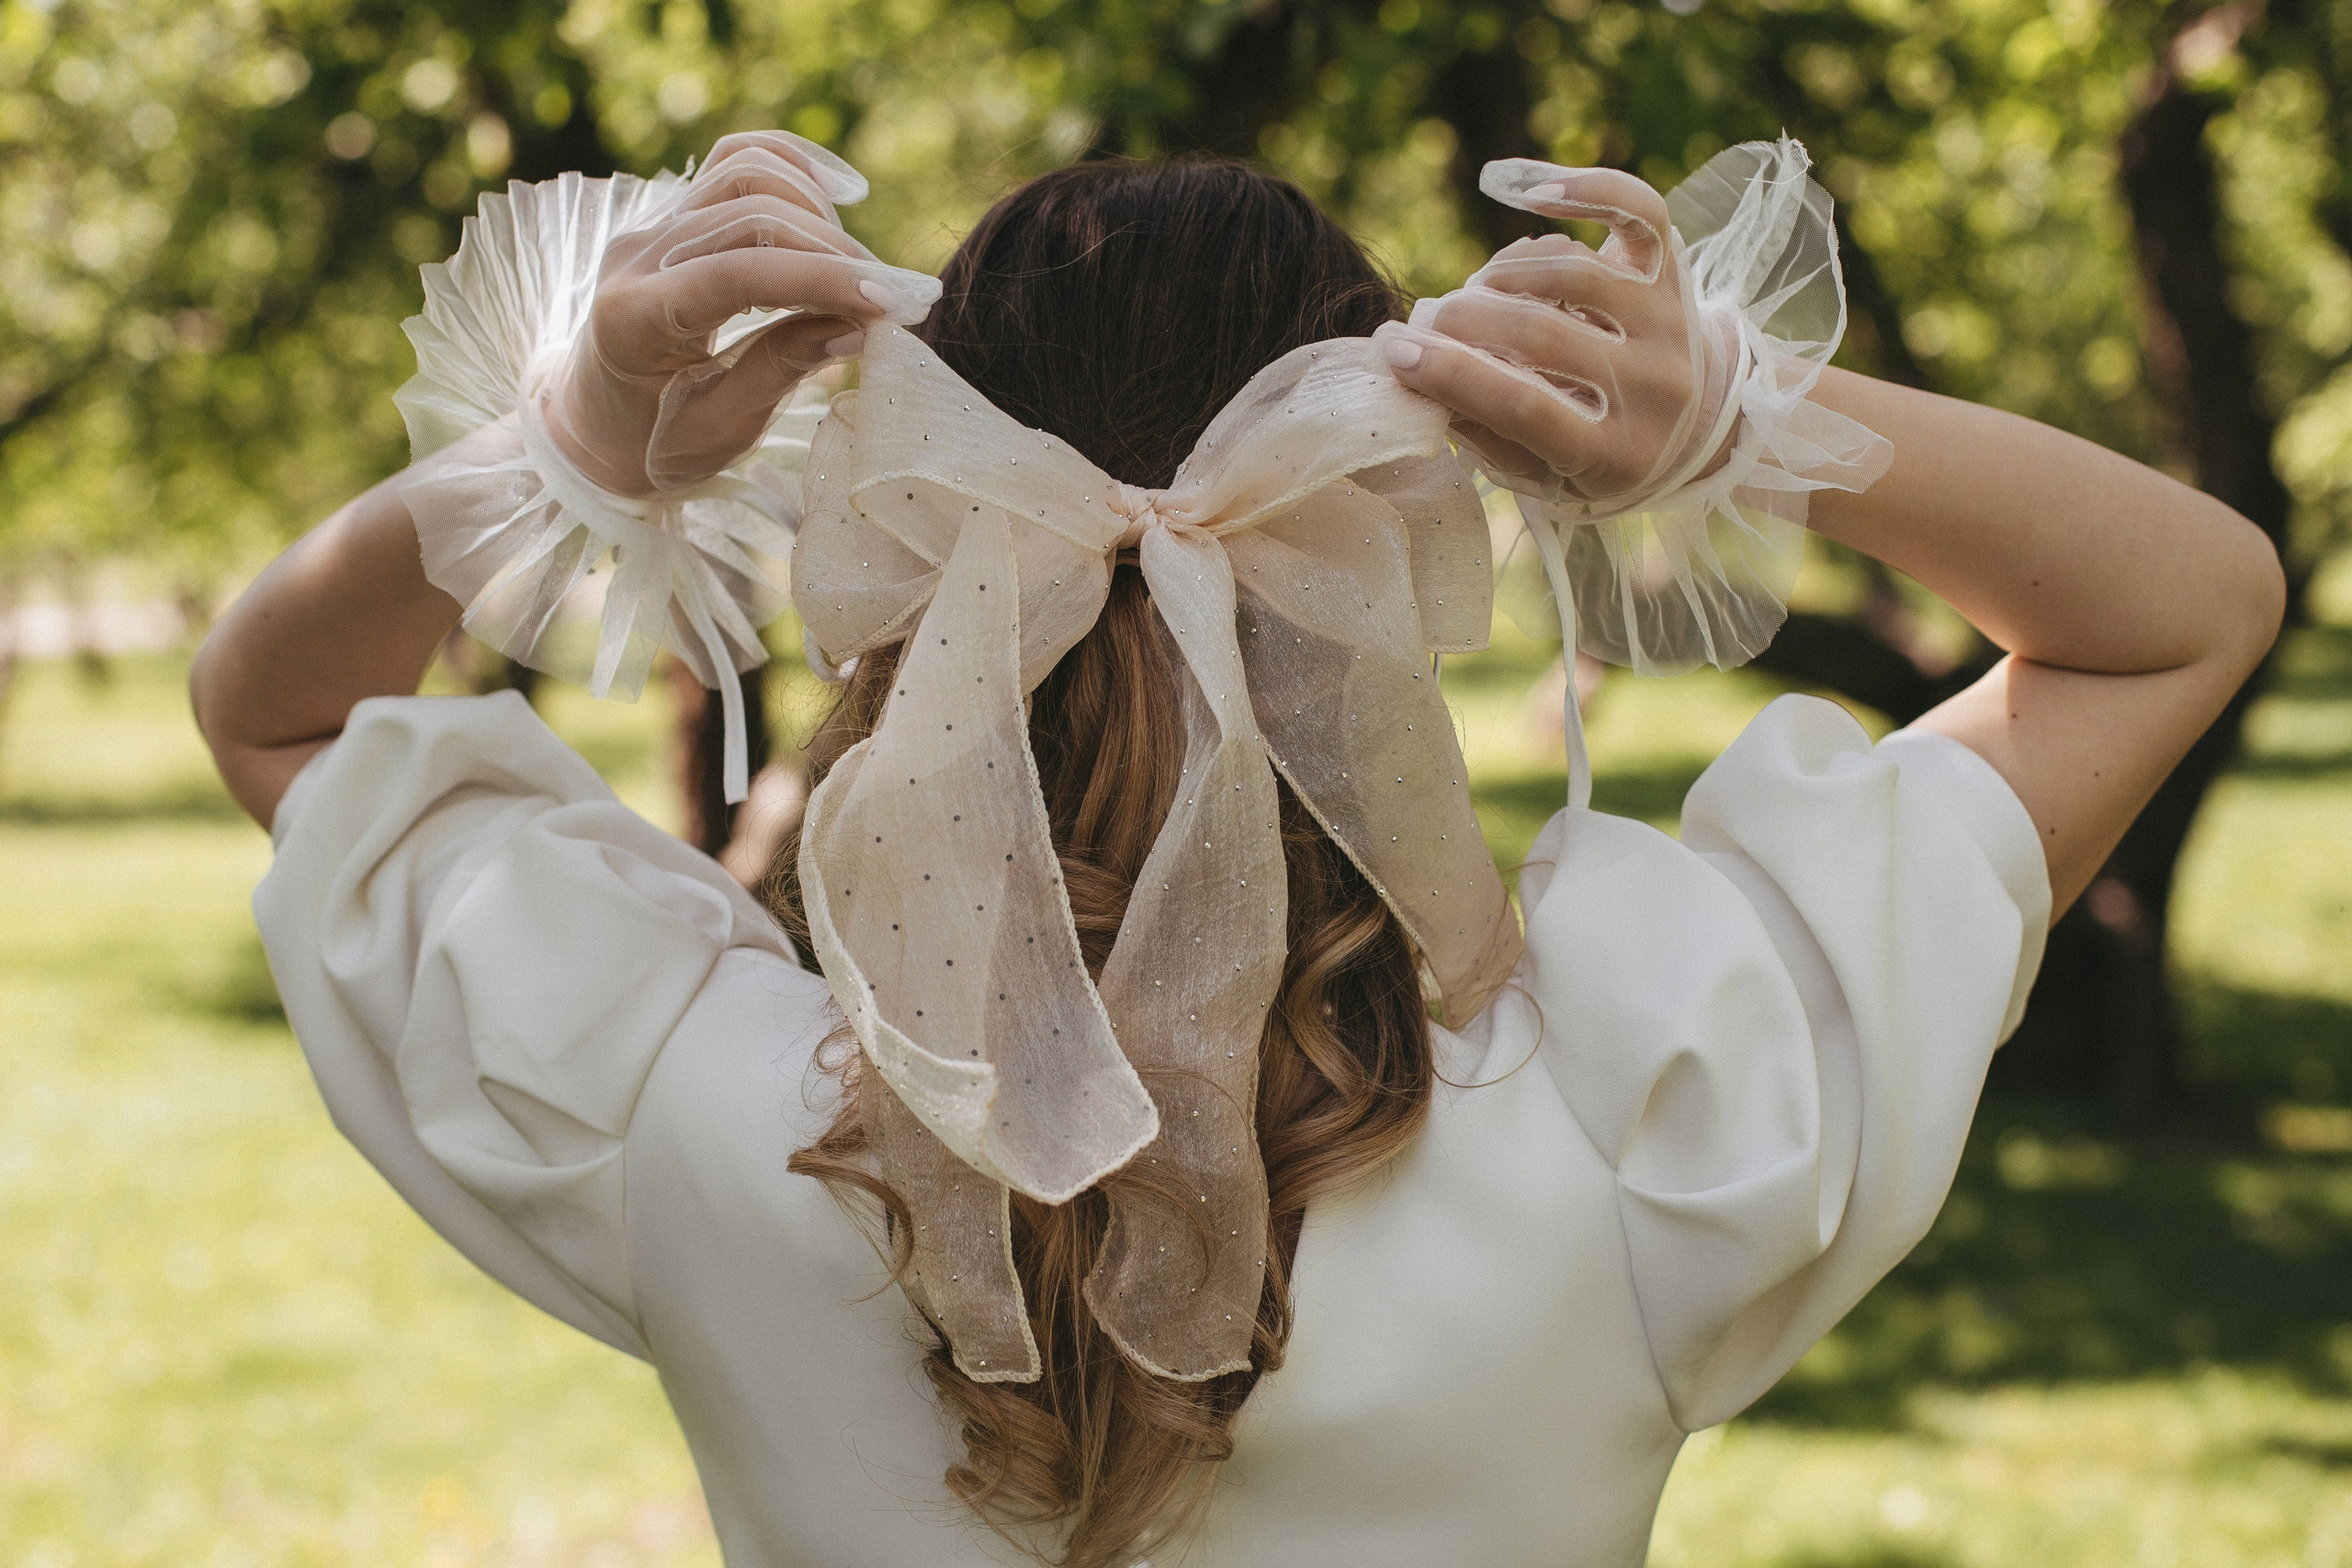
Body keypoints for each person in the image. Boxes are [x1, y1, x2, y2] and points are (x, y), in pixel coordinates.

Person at [189, 131, 2282, 1568]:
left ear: (905, 541)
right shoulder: (1659, 1106)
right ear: (1398, 530)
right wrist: (1727, 416)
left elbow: (272, 705)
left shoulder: (681, 1104)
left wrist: (565, 441)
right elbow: (2180, 604)